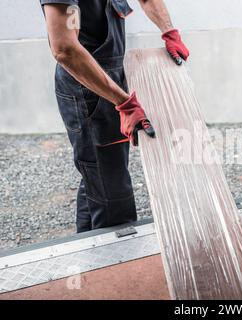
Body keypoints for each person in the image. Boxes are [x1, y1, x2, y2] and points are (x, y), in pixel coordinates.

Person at [40, 0, 189, 233]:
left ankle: (90, 256)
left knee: (99, 176)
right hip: (87, 90)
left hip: (112, 83)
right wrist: (124, 103)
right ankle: (114, 261)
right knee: (113, 193)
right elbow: (65, 49)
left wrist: (168, 31)